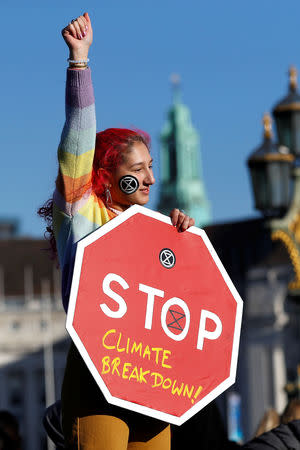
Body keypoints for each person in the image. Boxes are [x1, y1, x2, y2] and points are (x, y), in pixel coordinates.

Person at [39, 11, 195, 450]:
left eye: (152, 168)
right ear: (107, 173)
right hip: (97, 376)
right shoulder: (81, 212)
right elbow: (78, 140)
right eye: (137, 169)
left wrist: (184, 246)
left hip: (153, 385)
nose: (149, 179)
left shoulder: (156, 231)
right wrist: (80, 63)